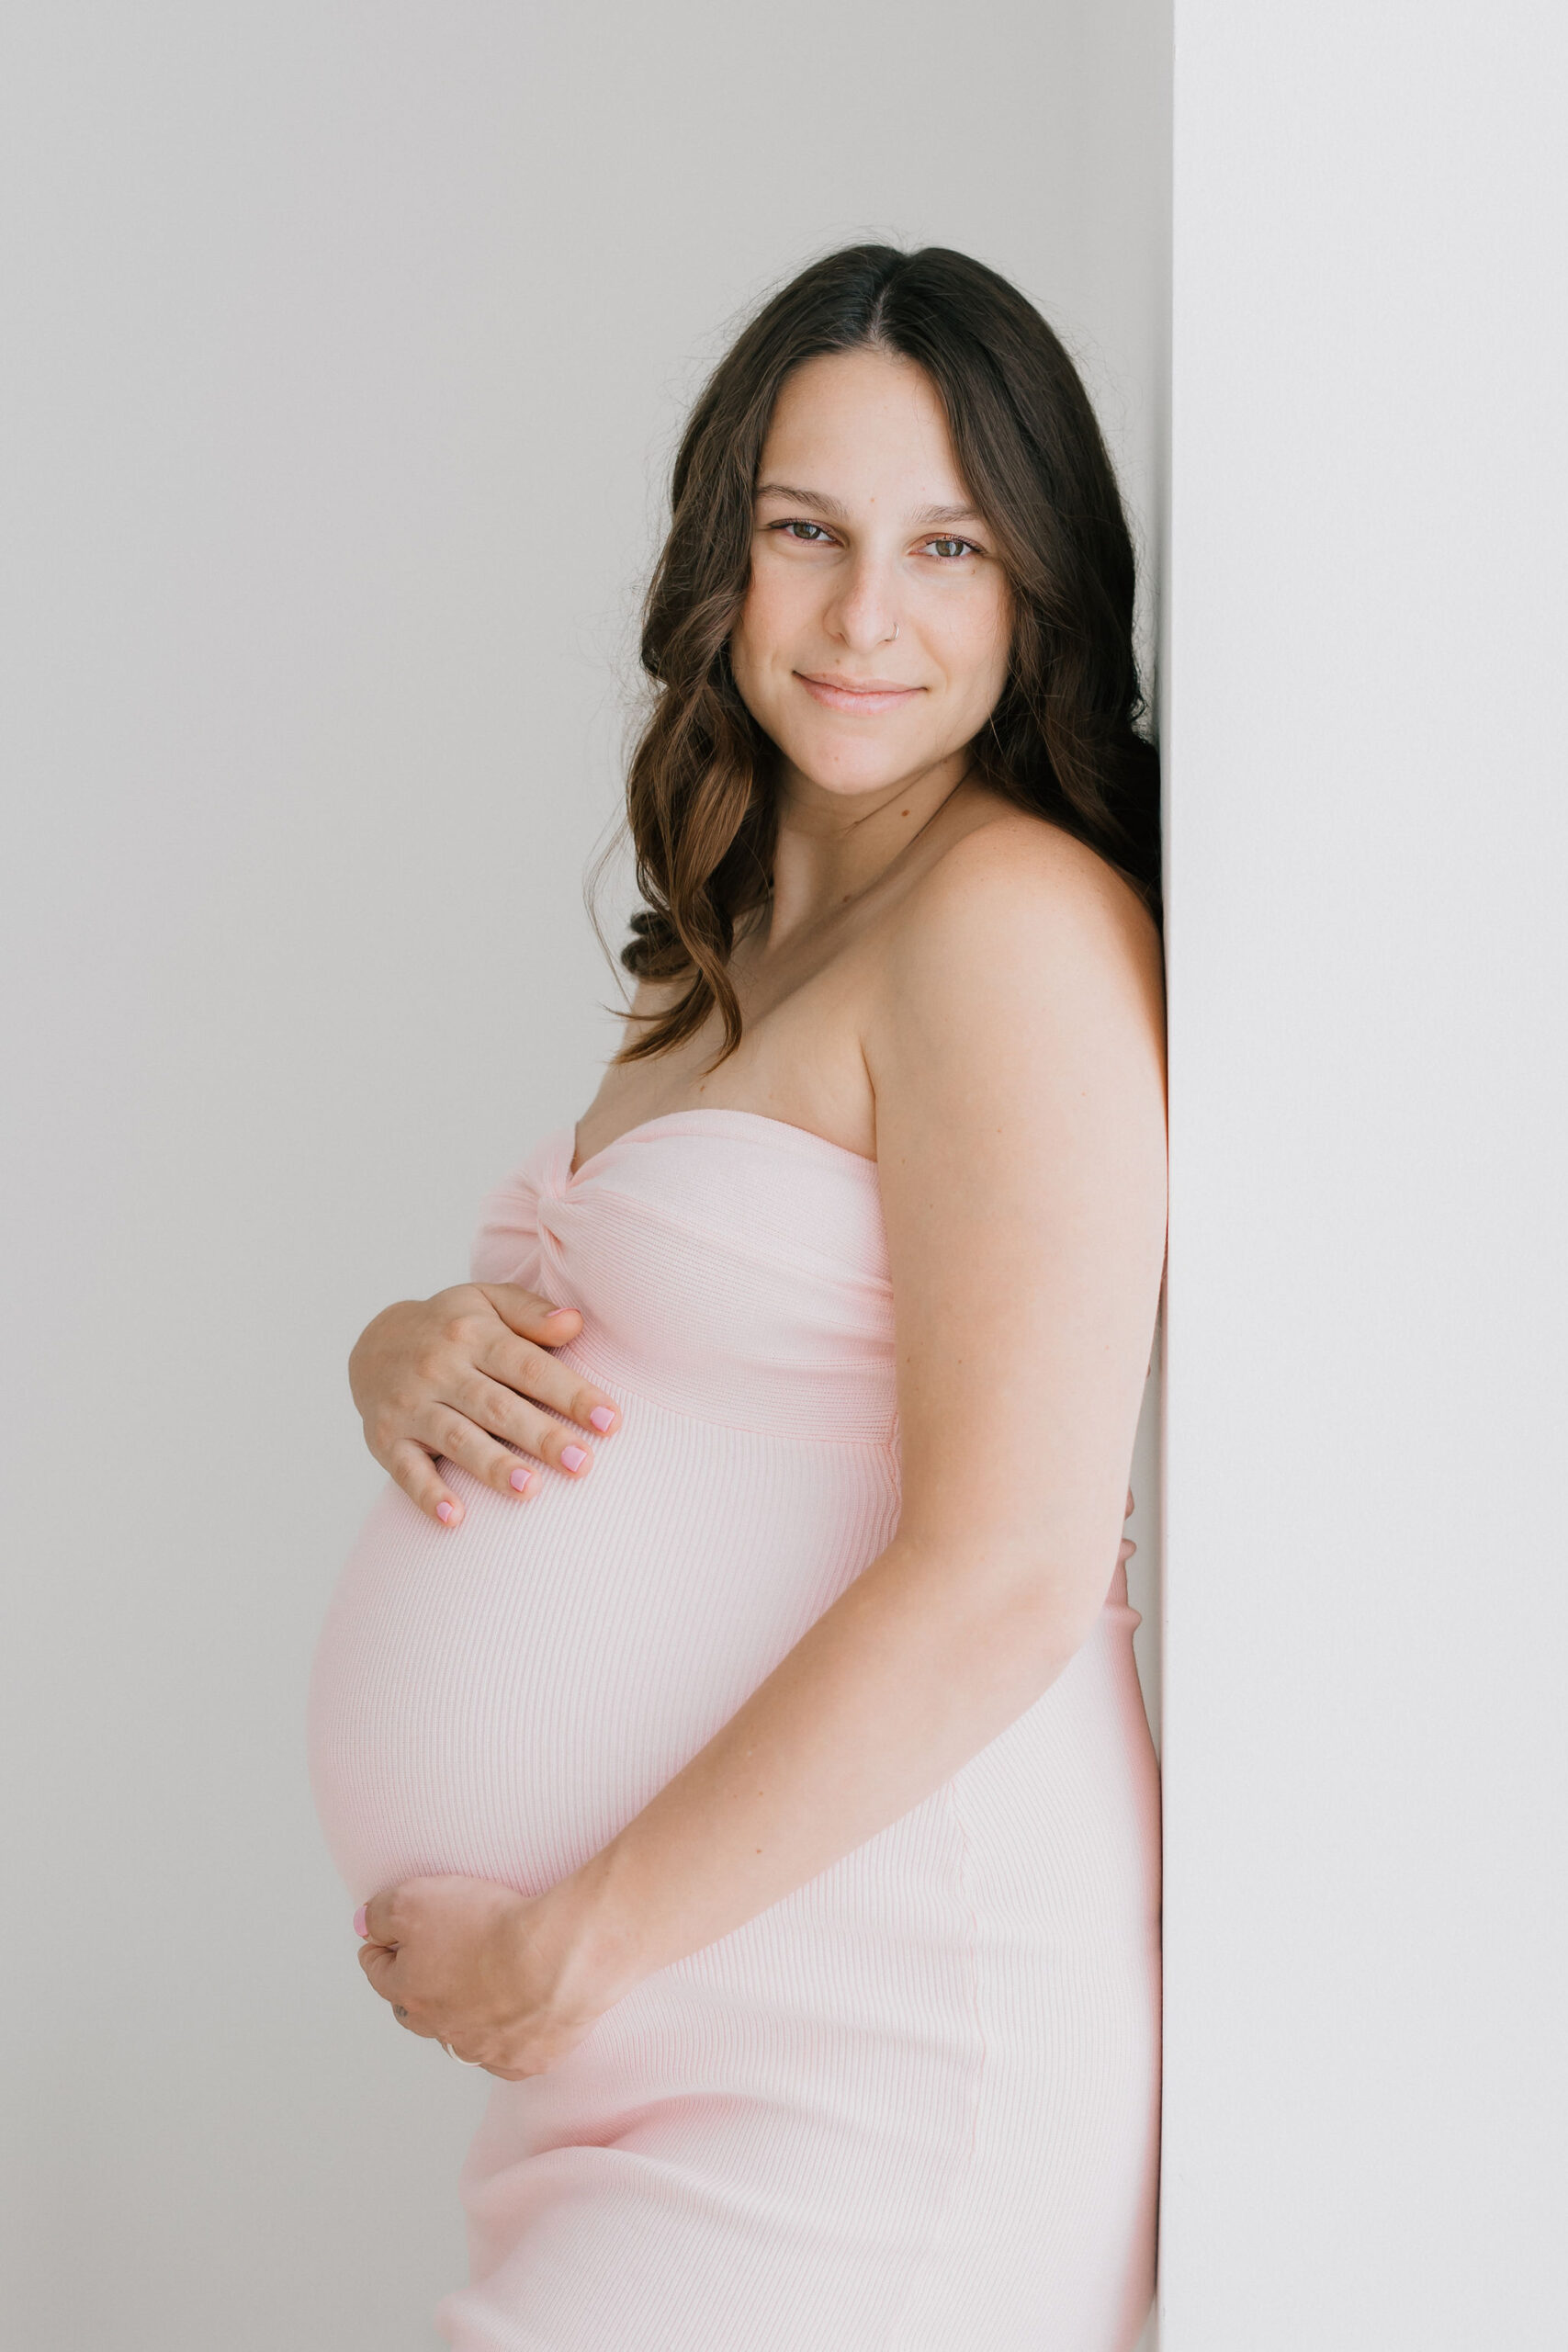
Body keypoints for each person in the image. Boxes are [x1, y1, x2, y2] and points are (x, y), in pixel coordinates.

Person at [307, 242, 1168, 2351]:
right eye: (806, 533)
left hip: (862, 2049)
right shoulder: (744, 924)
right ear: (722, 558)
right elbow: (694, 1357)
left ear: (1034, 582)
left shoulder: (1009, 927)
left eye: (945, 544)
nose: (866, 613)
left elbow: (1009, 1566)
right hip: (652, 2057)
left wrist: (576, 1942)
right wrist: (399, 1349)